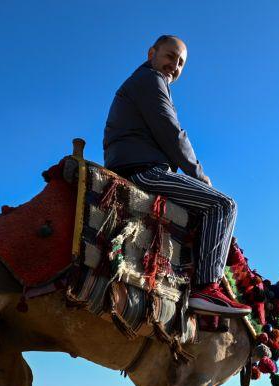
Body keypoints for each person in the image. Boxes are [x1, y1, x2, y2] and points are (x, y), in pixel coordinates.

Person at [103, 35, 249, 317]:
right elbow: (173, 134)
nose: (175, 65)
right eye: (170, 56)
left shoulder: (144, 82)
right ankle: (206, 288)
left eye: (181, 63)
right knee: (223, 205)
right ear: (151, 53)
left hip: (136, 163)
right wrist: (199, 176)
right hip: (143, 170)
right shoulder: (150, 80)